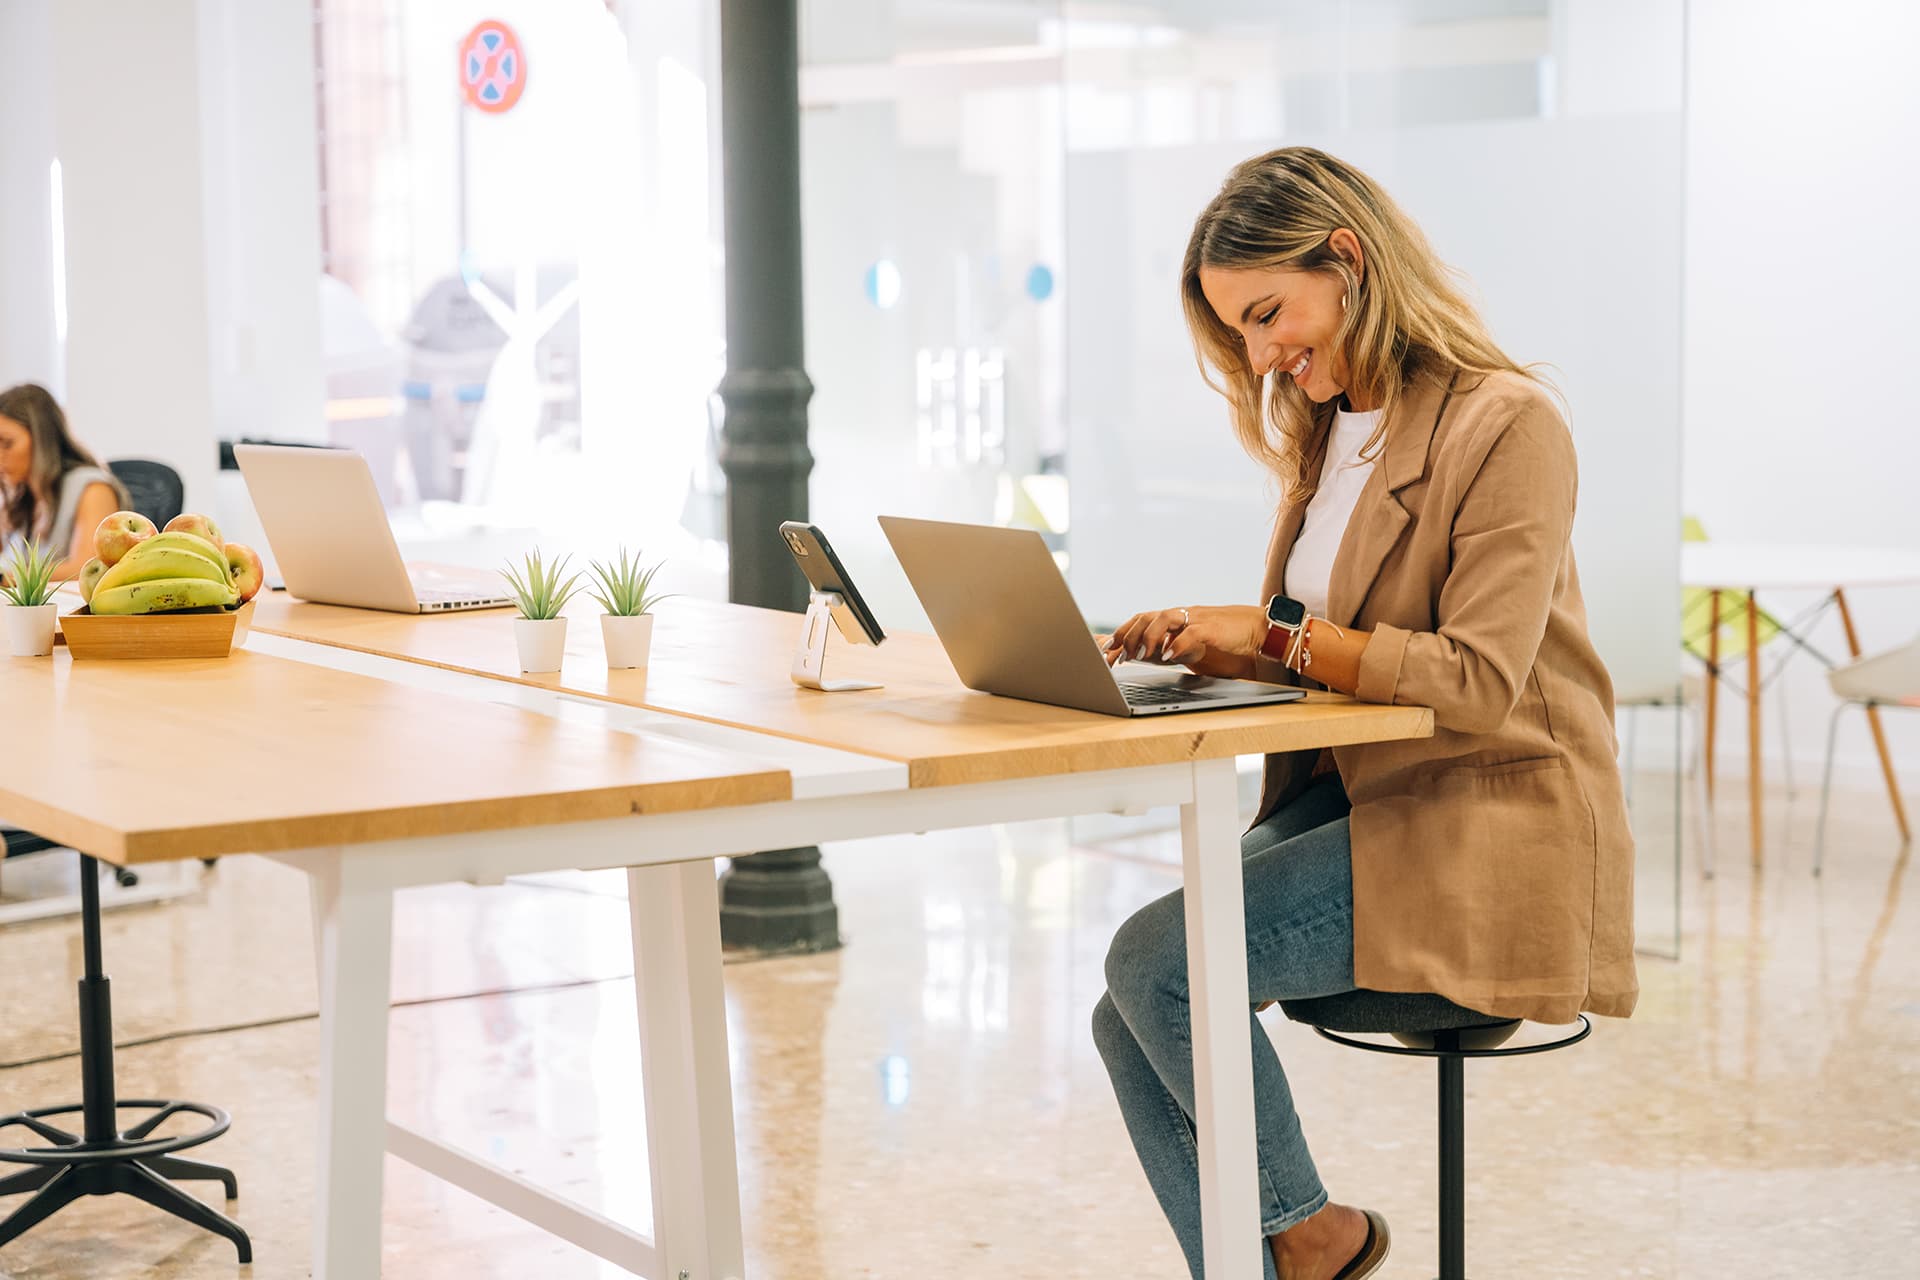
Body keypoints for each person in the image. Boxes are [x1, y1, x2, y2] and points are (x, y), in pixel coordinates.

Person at [1091, 147, 1636, 1280]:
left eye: (1267, 312)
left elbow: (1478, 677)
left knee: (1156, 965)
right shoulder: (1329, 431)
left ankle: (1313, 1241)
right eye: (1238, 331)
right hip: (1367, 795)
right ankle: (1290, 1251)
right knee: (1126, 1007)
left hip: (1490, 823)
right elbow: (1332, 655)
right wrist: (1208, 647)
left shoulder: (1508, 423)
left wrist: (1272, 630)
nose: (1260, 353)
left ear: (1348, 257)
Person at [0, 383, 127, 580]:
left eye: (7, 444)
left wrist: (6, 579)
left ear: (43, 441)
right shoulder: (20, 498)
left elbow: (87, 571)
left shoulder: (93, 489)